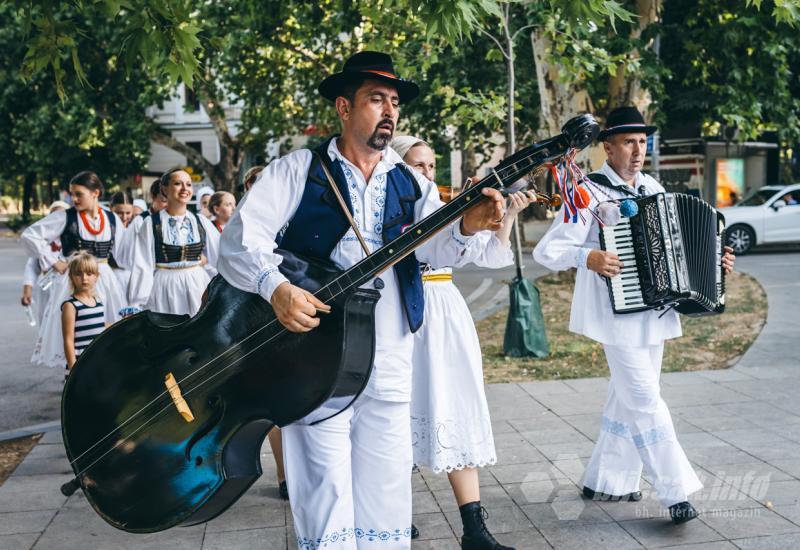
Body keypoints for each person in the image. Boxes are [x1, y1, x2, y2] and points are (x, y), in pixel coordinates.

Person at [217, 51, 506, 549]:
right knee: (325, 487)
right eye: (377, 98)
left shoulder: (408, 180)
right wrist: (277, 287)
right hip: (316, 354)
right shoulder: (297, 170)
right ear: (344, 108)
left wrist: (466, 224)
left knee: (387, 484)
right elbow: (240, 240)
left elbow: (437, 245)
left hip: (392, 352)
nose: (390, 111)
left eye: (394, 101)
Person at [533, 106, 736, 524]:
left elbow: (680, 248)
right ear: (607, 147)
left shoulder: (652, 187)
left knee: (628, 397)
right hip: (614, 313)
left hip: (654, 314)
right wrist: (586, 255)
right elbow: (546, 251)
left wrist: (715, 261)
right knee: (644, 398)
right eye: (629, 141)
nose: (638, 149)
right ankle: (675, 491)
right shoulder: (587, 191)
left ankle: (607, 479)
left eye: (643, 141)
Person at [393, 136, 530, 550]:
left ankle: (474, 529)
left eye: (432, 166)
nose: (429, 174)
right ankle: (395, 513)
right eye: (418, 165)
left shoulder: (442, 207)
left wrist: (502, 218)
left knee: (458, 408)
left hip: (446, 313)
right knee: (400, 413)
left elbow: (486, 257)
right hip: (404, 314)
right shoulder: (389, 211)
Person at [22, 171, 128, 368]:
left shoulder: (112, 219)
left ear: (95, 193)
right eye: (72, 194)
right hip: (77, 280)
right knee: (78, 330)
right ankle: (74, 373)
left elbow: (124, 253)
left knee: (107, 328)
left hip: (105, 278)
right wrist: (53, 260)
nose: (74, 199)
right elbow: (31, 235)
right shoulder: (66, 217)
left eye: (79, 194)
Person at [127, 168, 220, 316]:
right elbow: (142, 264)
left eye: (188, 184)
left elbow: (220, 255)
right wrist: (136, 302)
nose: (185, 189)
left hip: (197, 284)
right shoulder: (151, 223)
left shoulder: (200, 221)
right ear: (164, 189)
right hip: (165, 287)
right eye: (178, 183)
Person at [21, 201, 69, 326]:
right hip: (46, 285)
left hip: (66, 285)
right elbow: (32, 266)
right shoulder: (41, 242)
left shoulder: (71, 240)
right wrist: (27, 289)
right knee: (46, 320)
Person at [61, 251, 107, 380]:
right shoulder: (71, 306)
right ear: (71, 277)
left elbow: (100, 326)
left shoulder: (98, 302)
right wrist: (73, 369)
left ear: (96, 276)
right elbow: (68, 340)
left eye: (89, 273)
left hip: (98, 359)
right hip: (81, 362)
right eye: (78, 274)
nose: (84, 278)